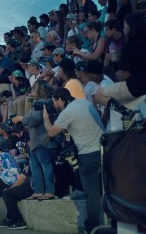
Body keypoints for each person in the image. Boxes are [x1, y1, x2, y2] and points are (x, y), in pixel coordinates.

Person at [42, 88, 104, 234]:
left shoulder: (68, 112)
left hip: (88, 154)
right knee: (102, 189)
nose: (53, 105)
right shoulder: (83, 102)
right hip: (103, 149)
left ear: (61, 100)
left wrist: (45, 116)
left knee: (93, 193)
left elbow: (51, 132)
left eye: (54, 102)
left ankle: (92, 228)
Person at [95, 14, 146, 126]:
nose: (123, 29)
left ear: (131, 27)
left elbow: (123, 75)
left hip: (135, 88)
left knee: (98, 94)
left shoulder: (129, 46)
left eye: (125, 26)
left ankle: (126, 113)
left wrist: (114, 72)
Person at [12, 80, 58, 200]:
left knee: (45, 165)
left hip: (42, 139)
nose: (31, 90)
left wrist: (20, 118)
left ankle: (49, 191)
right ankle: (38, 190)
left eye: (34, 88)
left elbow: (34, 119)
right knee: (35, 166)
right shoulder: (38, 103)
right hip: (35, 140)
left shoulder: (44, 103)